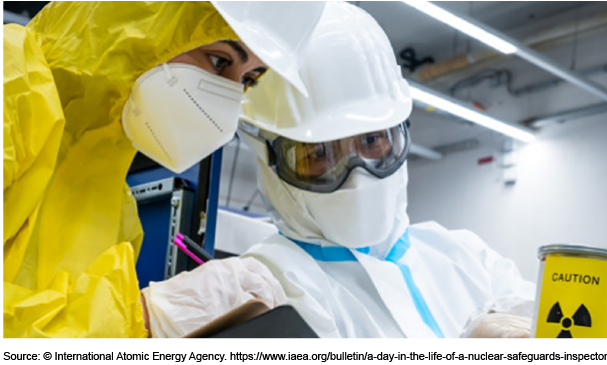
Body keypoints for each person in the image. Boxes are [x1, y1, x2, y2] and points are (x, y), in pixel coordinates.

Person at [143, 2, 535, 338]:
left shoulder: (468, 259)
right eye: (318, 155)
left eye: (371, 142)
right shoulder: (263, 288)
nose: (358, 174)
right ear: (269, 158)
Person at [4, 1, 325, 338]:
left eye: (248, 80)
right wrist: (140, 317)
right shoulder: (12, 81)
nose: (229, 101)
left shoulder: (116, 205)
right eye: (219, 61)